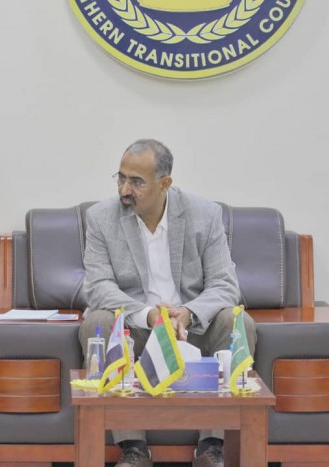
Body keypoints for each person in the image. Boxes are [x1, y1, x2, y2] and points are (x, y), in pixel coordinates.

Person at [79, 139, 257, 467]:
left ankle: (212, 446)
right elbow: (99, 287)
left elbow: (224, 284)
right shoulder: (101, 218)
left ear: (165, 184)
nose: (124, 190)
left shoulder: (204, 214)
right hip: (135, 328)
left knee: (238, 322)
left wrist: (187, 313)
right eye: (121, 178)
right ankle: (133, 448)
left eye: (136, 181)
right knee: (98, 322)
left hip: (191, 329)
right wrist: (149, 316)